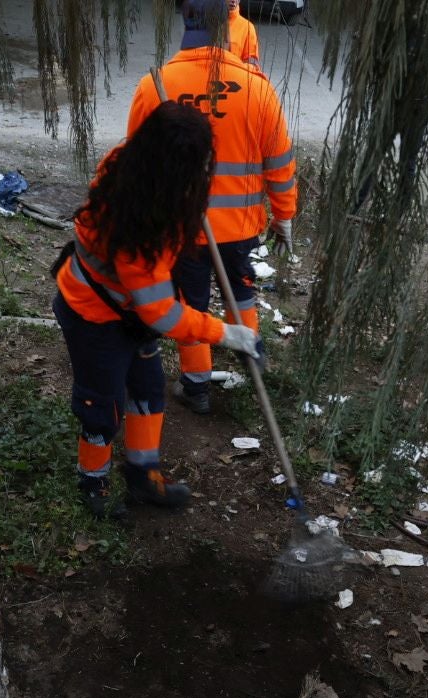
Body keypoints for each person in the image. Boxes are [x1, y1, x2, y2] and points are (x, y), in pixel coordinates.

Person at [53, 102, 261, 518]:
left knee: (148, 390)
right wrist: (226, 333)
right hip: (94, 316)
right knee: (102, 405)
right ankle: (92, 484)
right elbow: (162, 316)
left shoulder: (128, 163)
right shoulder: (138, 235)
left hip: (128, 311)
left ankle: (142, 477)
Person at [132, 0, 297, 416]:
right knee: (241, 294)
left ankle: (197, 386)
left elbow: (135, 167)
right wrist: (284, 216)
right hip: (241, 228)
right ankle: (251, 360)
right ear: (228, 26)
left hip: (182, 230)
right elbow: (279, 163)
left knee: (191, 304)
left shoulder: (156, 85)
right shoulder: (258, 88)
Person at [228, 0, 260, 69]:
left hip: (234, 77)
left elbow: (252, 64)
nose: (233, 0)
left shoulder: (248, 27)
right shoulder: (206, 24)